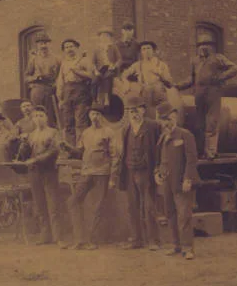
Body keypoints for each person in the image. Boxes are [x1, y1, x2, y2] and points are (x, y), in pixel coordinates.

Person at [60, 106, 120, 250]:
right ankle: (80, 239)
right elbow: (80, 152)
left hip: (102, 173)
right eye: (92, 114)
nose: (95, 117)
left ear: (102, 117)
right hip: (86, 173)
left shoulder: (109, 132)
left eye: (98, 114)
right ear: (89, 115)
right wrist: (67, 147)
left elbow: (115, 156)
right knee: (72, 201)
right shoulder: (85, 133)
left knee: (97, 207)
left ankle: (91, 240)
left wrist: (113, 177)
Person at [175, 39, 237, 159]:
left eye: (206, 46)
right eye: (200, 45)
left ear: (211, 48)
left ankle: (211, 151)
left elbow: (235, 68)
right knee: (199, 124)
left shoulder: (218, 58)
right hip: (199, 94)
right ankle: (200, 150)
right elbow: (192, 79)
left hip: (213, 92)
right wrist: (177, 86)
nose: (202, 48)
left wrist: (221, 77)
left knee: (212, 122)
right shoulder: (195, 61)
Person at [154, 102, 200, 260]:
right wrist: (157, 173)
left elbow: (192, 159)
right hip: (167, 183)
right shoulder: (163, 137)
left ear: (174, 117)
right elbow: (161, 159)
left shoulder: (185, 135)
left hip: (181, 182)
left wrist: (188, 179)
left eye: (167, 118)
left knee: (184, 215)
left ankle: (188, 248)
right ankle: (176, 245)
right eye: (162, 119)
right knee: (170, 214)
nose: (165, 122)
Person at [117, 96, 162, 251]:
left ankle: (153, 241)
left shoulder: (153, 126)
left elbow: (160, 149)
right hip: (130, 172)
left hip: (146, 172)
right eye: (130, 111)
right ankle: (136, 240)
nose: (133, 114)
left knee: (149, 207)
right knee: (132, 207)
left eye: (135, 111)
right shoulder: (126, 129)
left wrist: (158, 169)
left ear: (143, 110)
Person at [21, 106, 65, 247]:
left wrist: (36, 160)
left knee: (53, 205)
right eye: (36, 116)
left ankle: (58, 237)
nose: (38, 118)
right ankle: (45, 236)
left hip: (49, 171)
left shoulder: (53, 133)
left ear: (46, 117)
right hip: (34, 173)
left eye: (41, 115)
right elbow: (25, 155)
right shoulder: (31, 134)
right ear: (33, 119)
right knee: (40, 204)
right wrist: (23, 144)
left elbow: (54, 151)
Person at [56, 39, 93, 144]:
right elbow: (60, 82)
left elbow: (91, 75)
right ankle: (70, 148)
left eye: (71, 46)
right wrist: (60, 98)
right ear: (64, 50)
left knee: (81, 122)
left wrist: (77, 71)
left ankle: (82, 148)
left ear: (77, 48)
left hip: (81, 91)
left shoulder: (84, 60)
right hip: (67, 92)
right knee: (68, 122)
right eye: (66, 47)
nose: (69, 49)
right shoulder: (64, 64)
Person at [123, 41, 174, 118]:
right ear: (141, 52)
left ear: (153, 51)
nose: (146, 51)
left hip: (159, 93)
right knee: (146, 116)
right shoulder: (137, 65)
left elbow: (170, 83)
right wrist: (126, 83)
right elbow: (124, 74)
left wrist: (160, 74)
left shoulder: (161, 65)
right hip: (145, 93)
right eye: (143, 49)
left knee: (162, 116)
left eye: (148, 48)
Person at [24, 32, 60, 125]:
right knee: (37, 113)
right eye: (41, 43)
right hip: (37, 89)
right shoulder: (33, 59)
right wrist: (35, 77)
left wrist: (56, 84)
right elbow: (26, 77)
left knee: (51, 115)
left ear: (50, 44)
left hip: (51, 89)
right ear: (37, 45)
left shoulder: (56, 59)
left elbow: (60, 76)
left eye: (45, 43)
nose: (43, 46)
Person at [91, 28, 121, 108]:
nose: (104, 38)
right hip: (100, 69)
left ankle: (107, 99)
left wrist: (114, 66)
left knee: (107, 77)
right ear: (100, 37)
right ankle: (94, 100)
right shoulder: (96, 49)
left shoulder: (113, 47)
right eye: (102, 36)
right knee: (94, 81)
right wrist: (96, 71)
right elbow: (93, 62)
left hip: (110, 68)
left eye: (106, 36)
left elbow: (119, 59)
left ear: (109, 37)